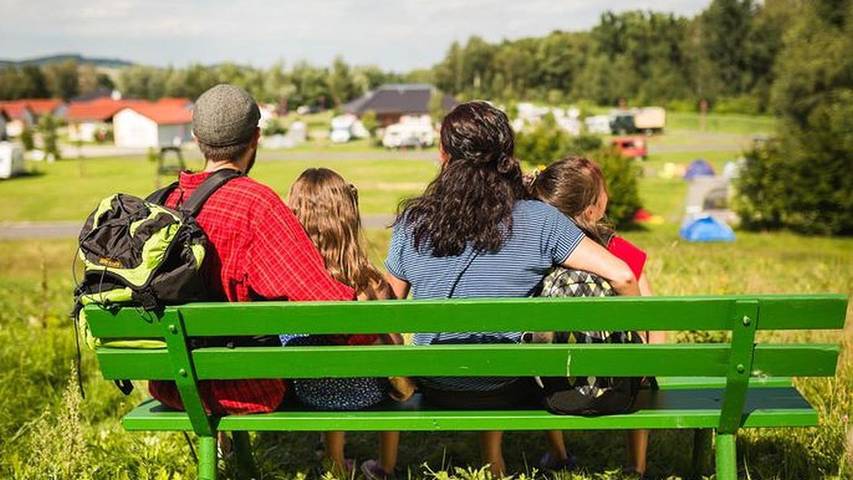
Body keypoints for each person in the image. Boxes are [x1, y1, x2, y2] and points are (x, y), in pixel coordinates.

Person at [384, 101, 640, 476]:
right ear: (508, 156)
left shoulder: (414, 221)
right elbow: (624, 276)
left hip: (436, 383)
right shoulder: (540, 219)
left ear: (443, 155)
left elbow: (387, 308)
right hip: (510, 383)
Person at [148, 84, 355, 416]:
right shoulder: (256, 205)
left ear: (196, 139)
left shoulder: (164, 202)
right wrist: (372, 341)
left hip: (172, 383)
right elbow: (324, 302)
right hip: (244, 387)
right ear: (256, 137)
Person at [528, 156, 662, 477]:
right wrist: (647, 364)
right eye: (603, 192)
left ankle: (558, 454)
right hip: (622, 390)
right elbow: (652, 314)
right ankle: (636, 465)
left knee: (542, 362)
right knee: (639, 366)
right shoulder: (619, 251)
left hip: (553, 391)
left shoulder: (540, 250)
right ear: (592, 208)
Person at [284, 167, 405, 478]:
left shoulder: (289, 282)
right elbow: (396, 348)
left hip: (306, 390)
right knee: (386, 367)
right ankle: (386, 465)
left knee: (326, 364)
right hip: (368, 392)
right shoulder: (372, 284)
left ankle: (335, 461)